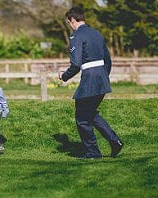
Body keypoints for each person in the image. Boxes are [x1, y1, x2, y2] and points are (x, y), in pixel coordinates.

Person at [59, 7, 123, 160]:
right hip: (101, 79)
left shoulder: (76, 36)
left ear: (73, 20)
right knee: (91, 114)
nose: (70, 25)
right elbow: (108, 60)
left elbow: (76, 64)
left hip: (90, 81)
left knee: (81, 118)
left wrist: (64, 76)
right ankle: (115, 142)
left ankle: (93, 153)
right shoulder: (97, 34)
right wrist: (103, 77)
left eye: (69, 23)